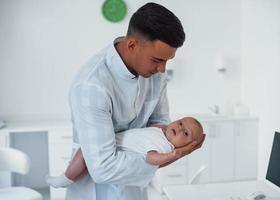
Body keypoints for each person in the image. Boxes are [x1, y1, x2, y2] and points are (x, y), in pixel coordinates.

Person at [66, 2, 203, 200]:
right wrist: (166, 156)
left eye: (167, 61)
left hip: (133, 188)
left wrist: (165, 150)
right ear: (132, 45)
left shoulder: (155, 74)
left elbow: (161, 127)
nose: (162, 70)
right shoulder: (91, 86)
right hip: (95, 191)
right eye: (157, 60)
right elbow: (103, 169)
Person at [47, 117, 205, 188]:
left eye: (185, 134)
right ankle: (72, 174)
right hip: (113, 140)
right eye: (180, 123)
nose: (179, 128)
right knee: (85, 162)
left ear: (188, 144)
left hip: (114, 148)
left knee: (84, 152)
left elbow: (151, 159)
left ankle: (64, 179)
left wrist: (175, 154)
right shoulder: (162, 129)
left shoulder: (165, 147)